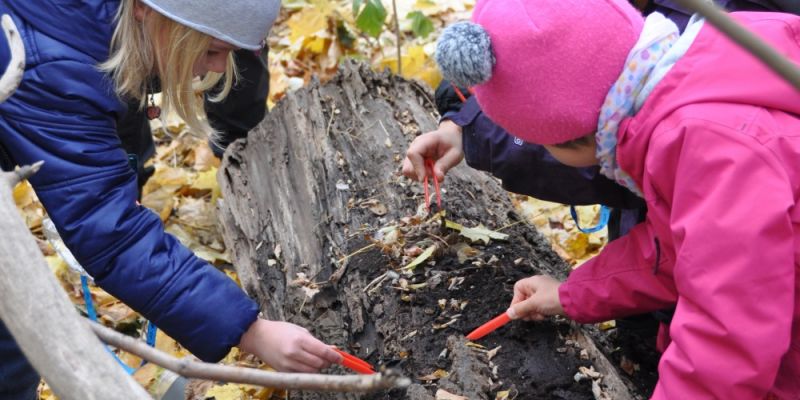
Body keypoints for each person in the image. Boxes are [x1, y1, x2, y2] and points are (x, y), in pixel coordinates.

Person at [433, 0, 800, 398]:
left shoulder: (711, 148)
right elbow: (680, 249)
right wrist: (571, 294)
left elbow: (726, 341)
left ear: (571, 136)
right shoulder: (687, 85)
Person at [0, 0, 342, 398]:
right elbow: (113, 236)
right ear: (148, 11)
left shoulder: (106, 28)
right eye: (212, 50)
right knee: (11, 335)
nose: (216, 67)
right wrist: (252, 332)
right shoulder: (54, 65)